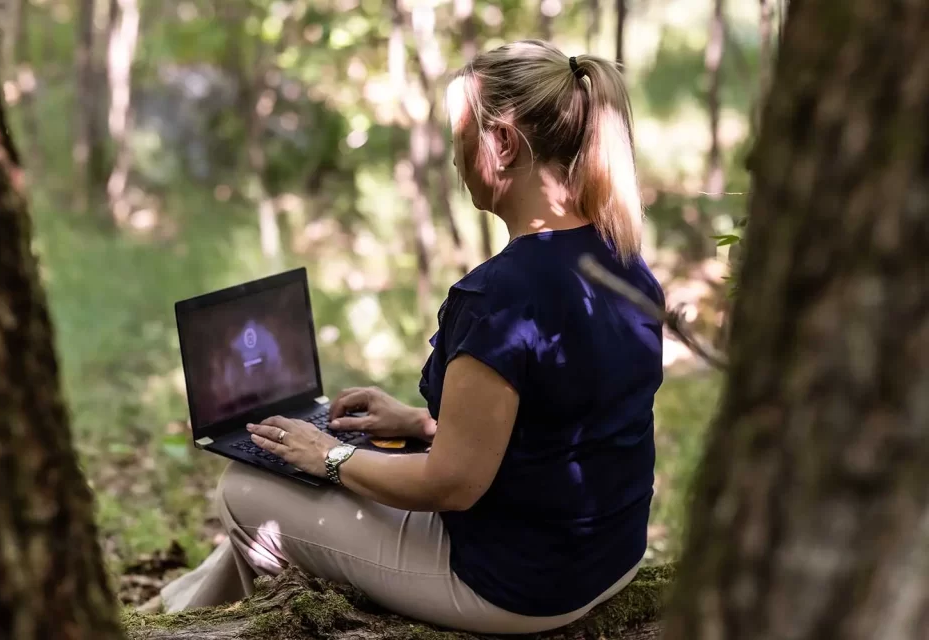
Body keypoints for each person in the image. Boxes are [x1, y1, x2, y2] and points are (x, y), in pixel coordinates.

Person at [160, 39, 664, 635]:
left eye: (459, 136)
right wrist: (423, 425)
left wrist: (330, 456)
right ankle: (172, 616)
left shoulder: (500, 298)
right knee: (285, 494)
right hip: (606, 558)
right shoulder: (622, 265)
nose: (454, 159)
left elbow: (450, 484)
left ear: (501, 144)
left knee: (245, 489)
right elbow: (558, 426)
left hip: (515, 587)